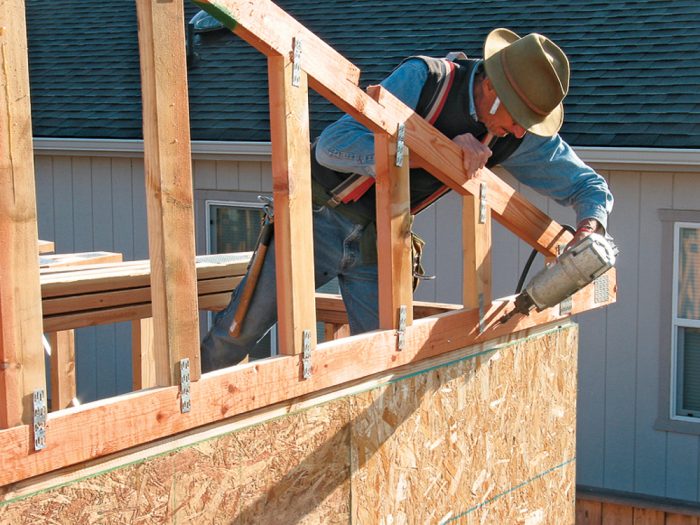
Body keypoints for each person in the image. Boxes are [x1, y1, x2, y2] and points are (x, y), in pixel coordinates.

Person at [200, 28, 614, 371]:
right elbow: (333, 146)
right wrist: (438, 151)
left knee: (388, 363)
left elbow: (590, 188)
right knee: (234, 335)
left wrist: (588, 228)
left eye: (529, 125)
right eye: (518, 120)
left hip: (380, 239)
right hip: (318, 220)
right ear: (492, 87)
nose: (521, 133)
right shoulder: (428, 80)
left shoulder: (514, 136)